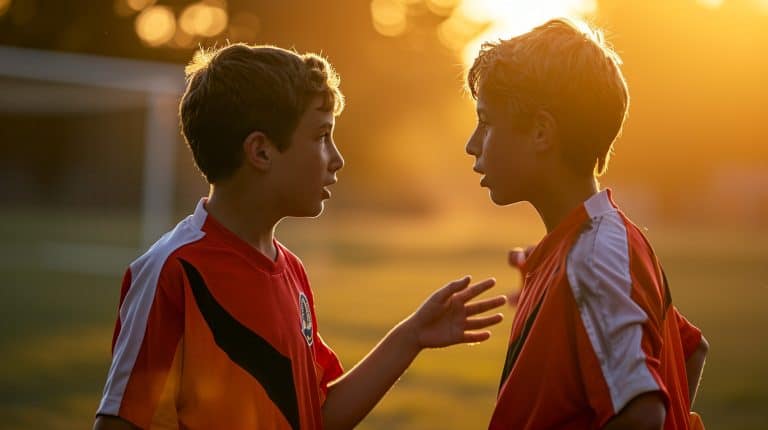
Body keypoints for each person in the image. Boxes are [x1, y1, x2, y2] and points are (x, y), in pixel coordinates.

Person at [93, 43, 507, 430]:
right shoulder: (172, 270)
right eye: (322, 136)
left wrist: (410, 337)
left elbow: (318, 413)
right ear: (261, 151)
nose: (337, 159)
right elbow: (121, 422)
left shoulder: (289, 270)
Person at [464, 17, 709, 430]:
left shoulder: (593, 259)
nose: (472, 143)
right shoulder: (589, 247)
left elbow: (641, 412)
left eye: (486, 121)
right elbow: (690, 350)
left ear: (542, 132)